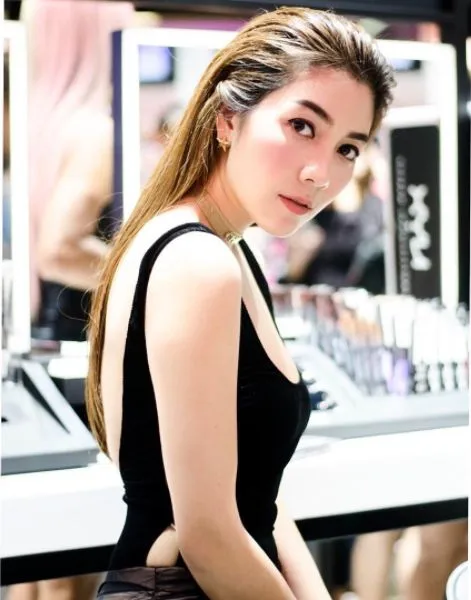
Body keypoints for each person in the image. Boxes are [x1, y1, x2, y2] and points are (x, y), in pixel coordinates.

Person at [86, 7, 394, 599]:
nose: (320, 172)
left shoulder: (229, 250)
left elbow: (259, 501)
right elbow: (208, 537)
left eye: (348, 149)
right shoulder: (198, 262)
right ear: (228, 118)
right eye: (302, 126)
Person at [6, 2, 133, 600]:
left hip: (44, 350)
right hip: (81, 361)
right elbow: (58, 250)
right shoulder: (93, 131)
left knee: (38, 564)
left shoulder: (35, 126)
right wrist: (150, 269)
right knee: (69, 566)